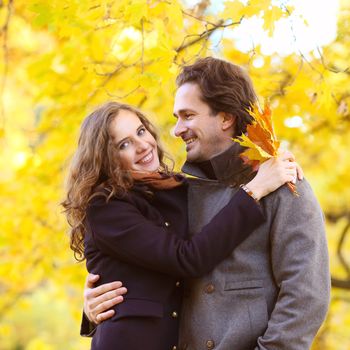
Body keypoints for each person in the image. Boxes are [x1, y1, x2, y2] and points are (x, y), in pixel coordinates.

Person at [82, 58, 330, 350]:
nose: (175, 130)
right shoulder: (182, 191)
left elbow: (306, 295)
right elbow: (158, 261)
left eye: (187, 116)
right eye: (176, 117)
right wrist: (91, 305)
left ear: (225, 118)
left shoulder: (283, 183)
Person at [63, 101, 297, 349]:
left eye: (141, 131)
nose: (143, 146)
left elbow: (221, 193)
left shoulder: (174, 188)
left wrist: (276, 165)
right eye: (124, 144)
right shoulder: (106, 208)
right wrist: (256, 189)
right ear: (106, 159)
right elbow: (186, 258)